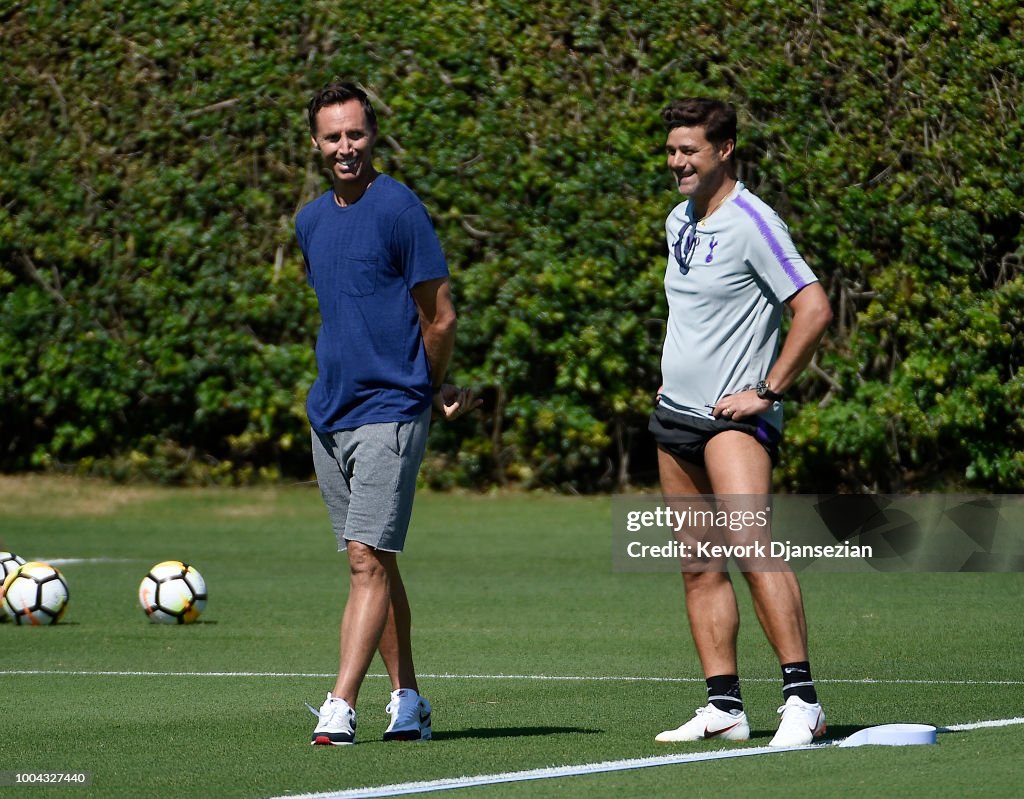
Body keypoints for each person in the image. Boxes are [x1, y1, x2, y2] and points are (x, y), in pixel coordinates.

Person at [296, 81, 478, 746]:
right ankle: (409, 701)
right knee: (374, 561)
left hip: (391, 410)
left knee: (367, 558)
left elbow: (441, 316)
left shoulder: (400, 208)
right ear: (316, 144)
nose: (346, 148)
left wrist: (426, 389)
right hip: (331, 414)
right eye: (333, 137)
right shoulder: (310, 222)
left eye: (356, 134)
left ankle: (339, 704)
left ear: (373, 135)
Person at [648, 98, 833, 747]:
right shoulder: (678, 219)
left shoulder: (755, 221)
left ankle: (802, 701)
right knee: (699, 566)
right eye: (671, 150)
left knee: (754, 548)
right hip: (677, 417)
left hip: (734, 422)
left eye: (689, 150)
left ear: (724, 150)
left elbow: (813, 307)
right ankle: (724, 706)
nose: (677, 162)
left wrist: (768, 389)